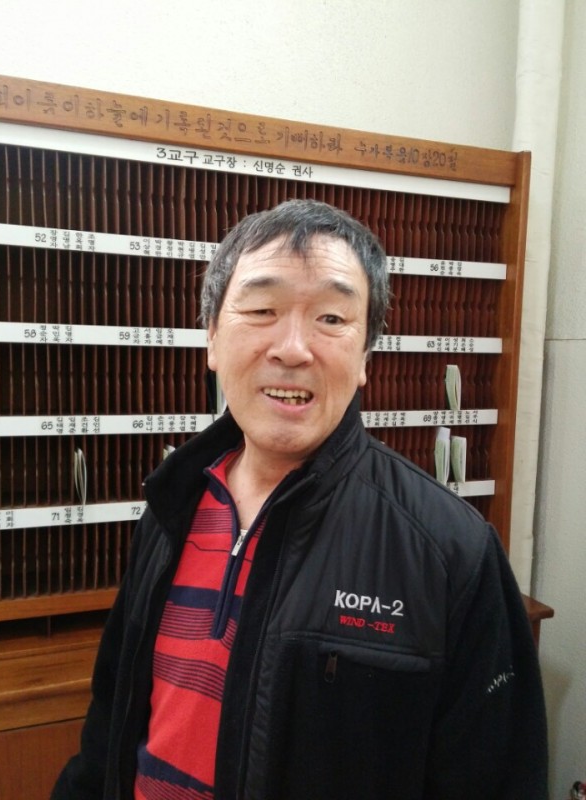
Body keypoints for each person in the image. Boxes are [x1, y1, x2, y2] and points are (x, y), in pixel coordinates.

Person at [52, 199, 548, 800]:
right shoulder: (171, 505)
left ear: (366, 356)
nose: (292, 348)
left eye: (332, 319)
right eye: (262, 309)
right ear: (212, 339)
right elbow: (110, 724)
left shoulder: (451, 550)